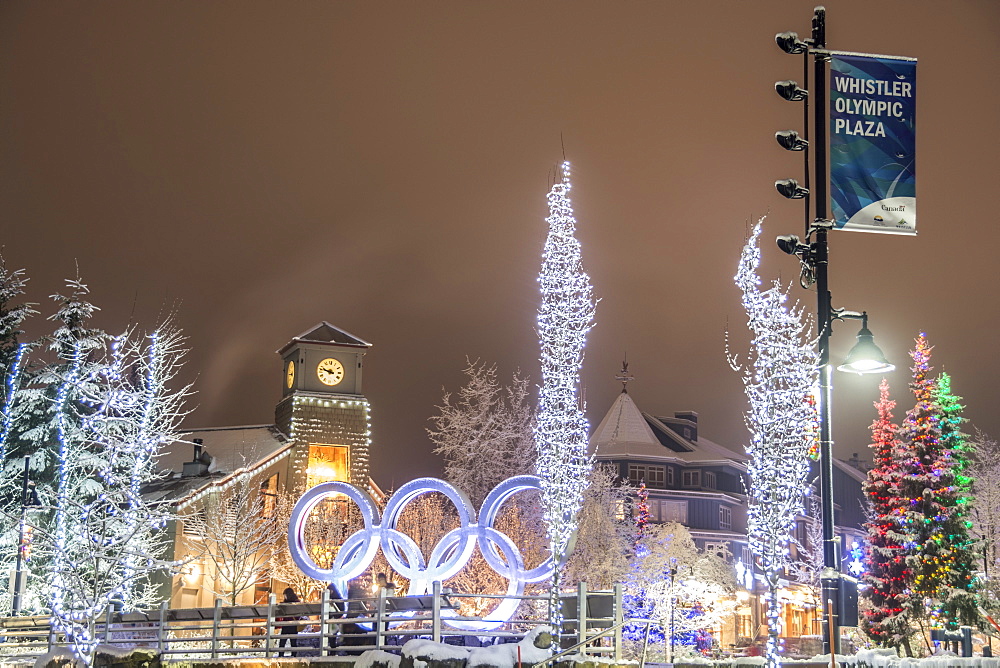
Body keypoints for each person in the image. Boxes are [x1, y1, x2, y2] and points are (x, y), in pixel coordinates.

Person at [277, 587, 301, 656]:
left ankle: (281, 655)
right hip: (291, 624)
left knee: (284, 642)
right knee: (292, 641)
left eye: (285, 595)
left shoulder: (289, 603)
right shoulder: (296, 602)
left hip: (288, 624)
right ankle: (293, 655)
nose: (284, 596)